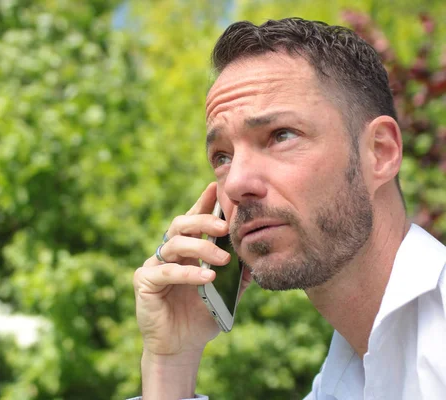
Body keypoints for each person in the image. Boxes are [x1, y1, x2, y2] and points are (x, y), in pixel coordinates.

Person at [130, 17, 446, 400]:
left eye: (280, 135)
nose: (236, 183)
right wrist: (172, 361)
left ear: (380, 152)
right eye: (222, 156)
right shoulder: (337, 383)